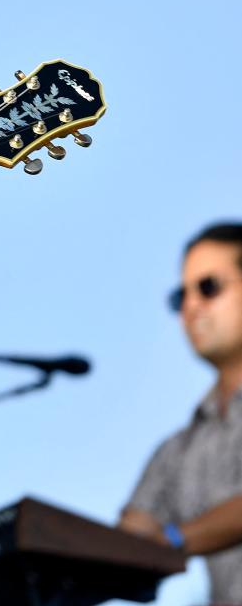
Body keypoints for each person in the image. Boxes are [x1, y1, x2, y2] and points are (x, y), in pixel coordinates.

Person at [120, 222, 242, 603]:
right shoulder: (175, 453)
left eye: (208, 287)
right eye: (180, 297)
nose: (190, 307)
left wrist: (175, 538)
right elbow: (127, 541)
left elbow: (164, 539)